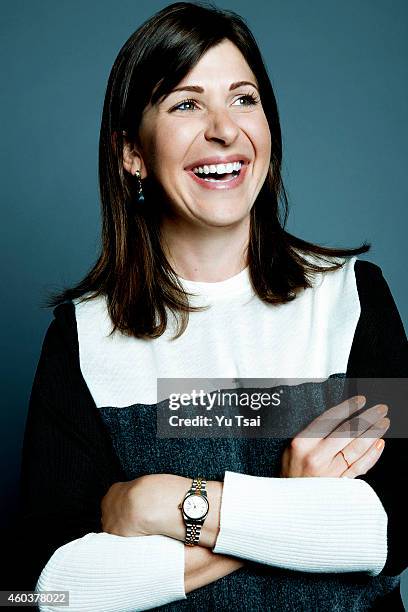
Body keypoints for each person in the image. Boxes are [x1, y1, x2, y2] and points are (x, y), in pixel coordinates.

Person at [12, 1, 407, 611]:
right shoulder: (82, 336)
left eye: (244, 99)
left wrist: (163, 503)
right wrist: (294, 509)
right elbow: (47, 590)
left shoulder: (352, 298)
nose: (225, 129)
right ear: (132, 153)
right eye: (186, 103)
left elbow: (393, 528)